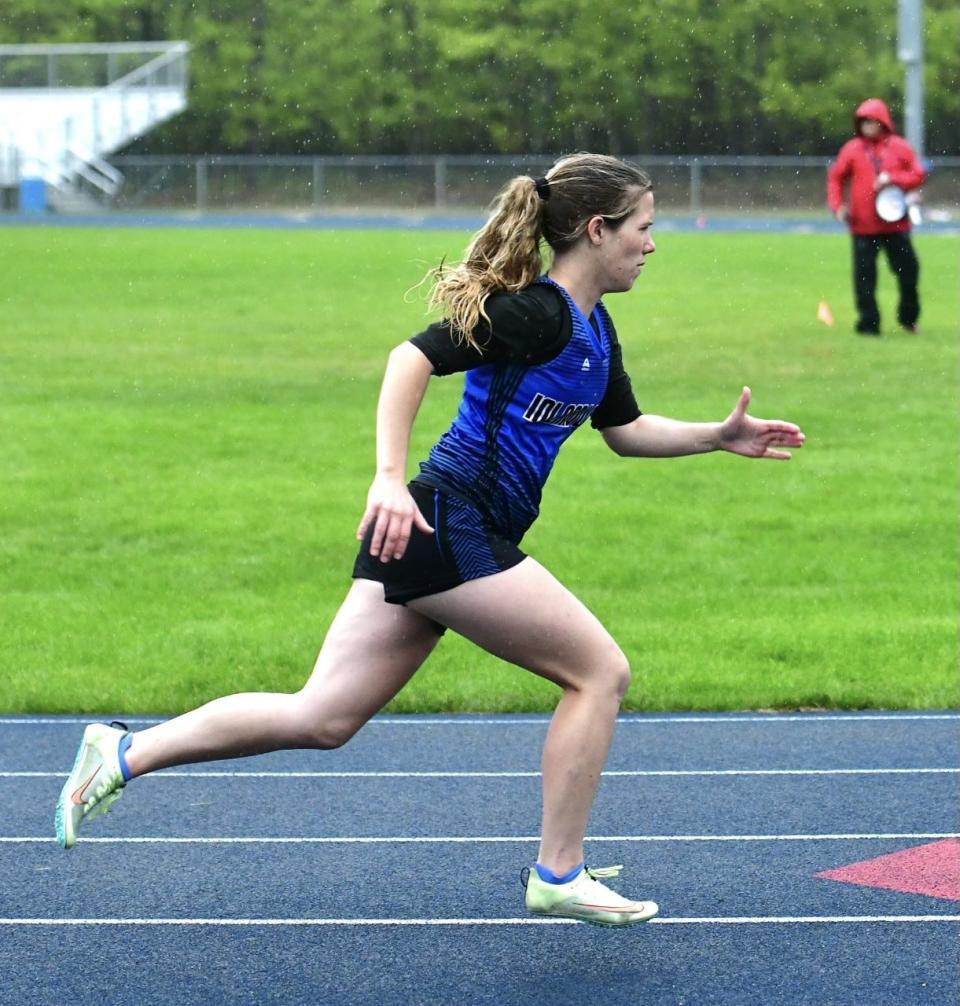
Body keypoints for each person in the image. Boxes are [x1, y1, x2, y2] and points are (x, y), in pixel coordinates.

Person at [55, 153, 805, 927]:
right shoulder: (535, 313)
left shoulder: (594, 332)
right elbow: (410, 357)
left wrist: (717, 436)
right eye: (645, 227)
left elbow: (627, 431)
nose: (653, 244)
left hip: (434, 530)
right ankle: (559, 871)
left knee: (323, 717)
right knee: (599, 673)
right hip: (449, 522)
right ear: (596, 229)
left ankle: (122, 754)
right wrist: (385, 477)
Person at [827, 98, 928, 335]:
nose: (866, 127)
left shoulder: (900, 147)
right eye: (862, 122)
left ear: (883, 122)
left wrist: (894, 178)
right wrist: (838, 205)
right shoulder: (852, 149)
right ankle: (869, 325)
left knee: (909, 272)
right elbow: (836, 177)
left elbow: (918, 174)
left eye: (871, 122)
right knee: (864, 279)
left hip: (896, 224)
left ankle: (908, 318)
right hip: (863, 226)